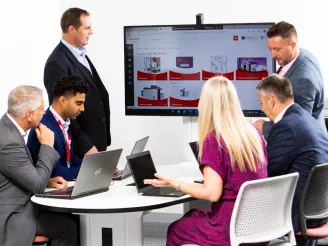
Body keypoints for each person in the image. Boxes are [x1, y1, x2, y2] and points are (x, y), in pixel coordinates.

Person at [144, 76, 268, 245]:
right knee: (192, 215)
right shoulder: (253, 133)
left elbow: (212, 193)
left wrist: (176, 184)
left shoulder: (214, 140)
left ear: (208, 105)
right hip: (260, 228)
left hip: (230, 230)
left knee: (177, 229)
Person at [0, 86, 77, 246]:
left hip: (20, 204)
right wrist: (47, 145)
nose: (44, 113)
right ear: (29, 114)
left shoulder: (8, 128)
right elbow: (37, 186)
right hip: (13, 217)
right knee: (68, 226)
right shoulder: (9, 142)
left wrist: (47, 180)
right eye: (42, 109)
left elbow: (18, 174)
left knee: (69, 215)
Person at [256, 74, 328, 245]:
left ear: (271, 101)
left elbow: (268, 174)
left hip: (296, 215)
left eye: (261, 103)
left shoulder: (285, 126)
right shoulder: (306, 118)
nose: (262, 109)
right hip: (318, 211)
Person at [44, 7, 111, 157]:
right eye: (87, 28)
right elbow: (62, 111)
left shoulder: (81, 55)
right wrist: (86, 146)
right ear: (72, 29)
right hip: (81, 149)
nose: (91, 31)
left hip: (96, 141)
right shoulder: (57, 62)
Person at [254, 21, 325, 139]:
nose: (272, 55)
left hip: (305, 148)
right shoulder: (302, 55)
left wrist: (264, 127)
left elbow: (300, 126)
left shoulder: (303, 80)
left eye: (277, 49)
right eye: (270, 49)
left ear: (292, 45)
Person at [28, 76, 88, 186]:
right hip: (51, 192)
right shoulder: (43, 127)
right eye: (79, 103)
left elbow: (69, 159)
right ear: (63, 101)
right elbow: (54, 171)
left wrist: (96, 167)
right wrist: (90, 172)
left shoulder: (64, 123)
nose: (83, 108)